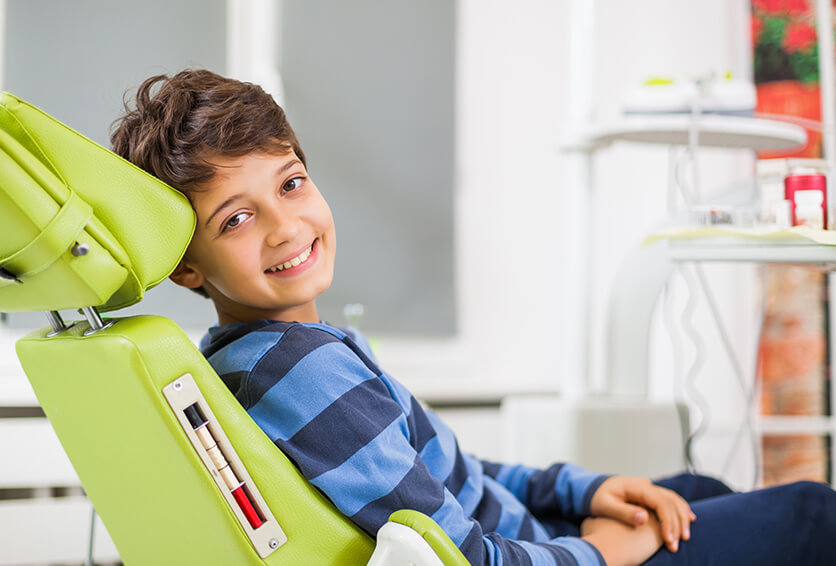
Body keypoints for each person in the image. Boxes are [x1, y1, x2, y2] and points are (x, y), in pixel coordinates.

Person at [111, 69, 836, 566]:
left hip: (538, 534)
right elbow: (463, 556)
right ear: (186, 265)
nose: (284, 226)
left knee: (695, 491)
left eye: (292, 184)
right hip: (541, 553)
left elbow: (447, 472)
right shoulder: (303, 373)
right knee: (810, 513)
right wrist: (604, 549)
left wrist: (579, 490)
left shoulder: (269, 353)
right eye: (238, 219)